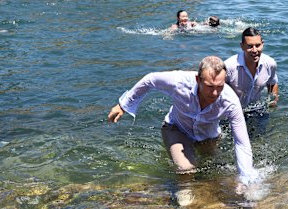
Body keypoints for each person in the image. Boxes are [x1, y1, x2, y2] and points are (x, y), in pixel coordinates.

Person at [107, 56, 258, 183]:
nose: (214, 93)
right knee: (186, 170)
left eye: (219, 86)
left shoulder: (230, 101)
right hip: (177, 128)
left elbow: (241, 142)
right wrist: (123, 105)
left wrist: (246, 179)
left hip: (209, 136)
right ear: (198, 79)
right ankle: (184, 200)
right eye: (209, 86)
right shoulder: (179, 82)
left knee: (214, 171)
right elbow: (150, 79)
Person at [224, 27, 279, 135]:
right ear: (242, 46)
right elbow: (217, 90)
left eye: (257, 45)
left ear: (262, 44)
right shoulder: (229, 66)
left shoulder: (270, 63)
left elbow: (273, 82)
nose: (254, 50)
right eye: (250, 46)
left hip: (256, 109)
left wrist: (273, 99)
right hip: (231, 111)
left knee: (262, 137)